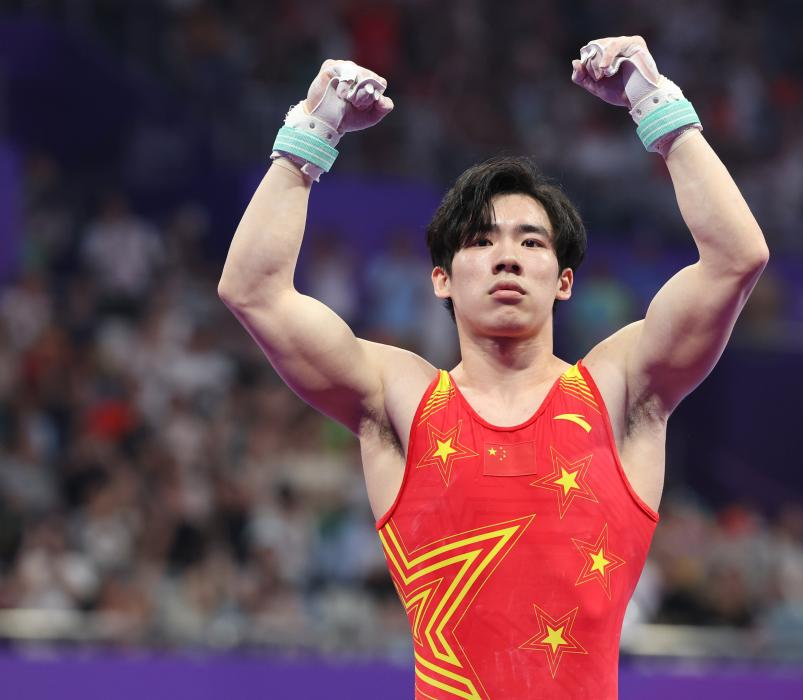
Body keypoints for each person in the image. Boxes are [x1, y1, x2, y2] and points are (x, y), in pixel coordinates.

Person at [219, 35, 768, 700]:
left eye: (530, 241)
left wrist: (656, 105)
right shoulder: (397, 399)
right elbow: (252, 291)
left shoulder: (621, 390)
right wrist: (311, 133)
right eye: (481, 241)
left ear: (563, 281)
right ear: (441, 280)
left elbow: (736, 260)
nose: (507, 257)